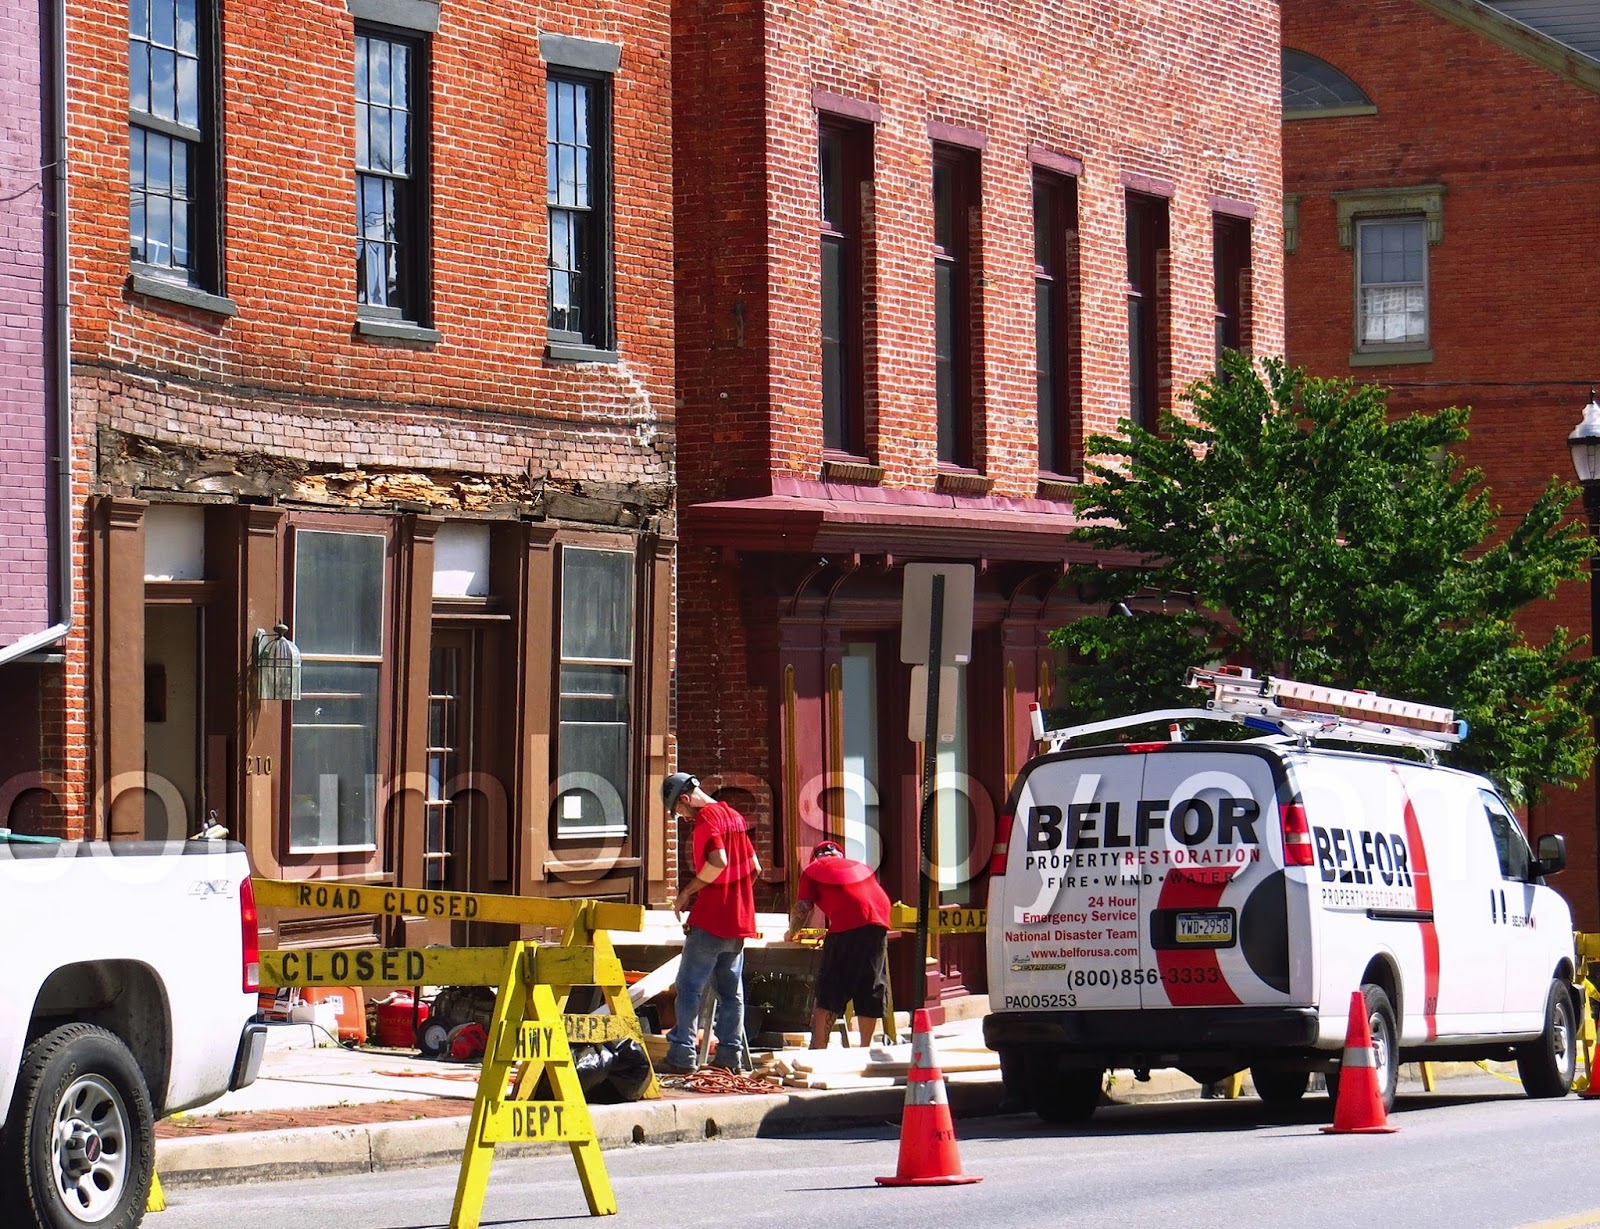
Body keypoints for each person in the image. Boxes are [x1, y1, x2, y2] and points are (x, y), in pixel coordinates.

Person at [661, 771, 761, 1074]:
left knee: (689, 987)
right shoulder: (734, 817)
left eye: (680, 811)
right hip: (738, 920)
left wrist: (687, 893)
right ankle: (729, 1057)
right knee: (731, 993)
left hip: (711, 919)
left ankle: (682, 1055)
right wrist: (736, 896)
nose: (684, 818)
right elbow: (754, 868)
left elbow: (719, 861)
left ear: (685, 798)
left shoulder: (707, 818)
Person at [786, 840, 891, 1049]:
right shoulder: (861, 866)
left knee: (831, 987)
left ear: (816, 857)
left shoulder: (814, 869)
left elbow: (803, 907)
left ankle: (819, 1048)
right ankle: (865, 1047)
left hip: (848, 923)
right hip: (878, 922)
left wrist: (792, 933)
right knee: (869, 984)